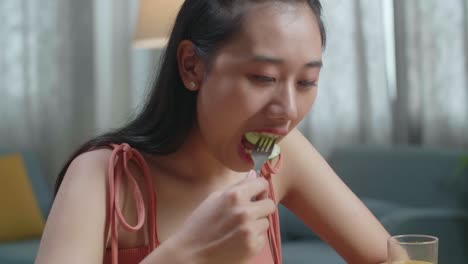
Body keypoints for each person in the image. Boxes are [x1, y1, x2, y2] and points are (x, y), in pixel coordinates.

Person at [36, 0, 390, 263]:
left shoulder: (284, 158)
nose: (288, 110)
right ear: (192, 66)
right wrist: (188, 252)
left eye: (306, 82)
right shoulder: (102, 177)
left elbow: (390, 257)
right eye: (263, 78)